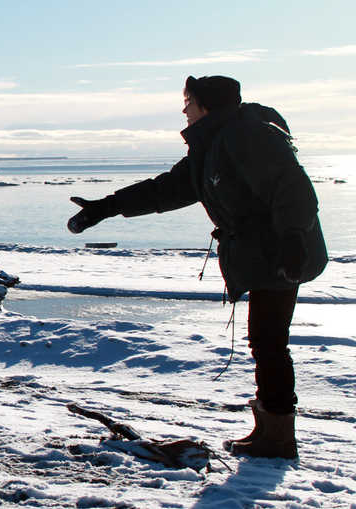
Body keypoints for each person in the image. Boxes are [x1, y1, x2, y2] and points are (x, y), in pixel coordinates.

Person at [67, 75, 327, 459]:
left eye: (188, 101)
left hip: (280, 253)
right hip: (265, 252)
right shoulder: (215, 142)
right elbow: (169, 188)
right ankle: (270, 429)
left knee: (268, 342)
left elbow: (293, 186)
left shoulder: (246, 135)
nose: (184, 109)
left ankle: (278, 437)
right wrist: (105, 207)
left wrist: (291, 239)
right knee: (267, 342)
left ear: (205, 105)